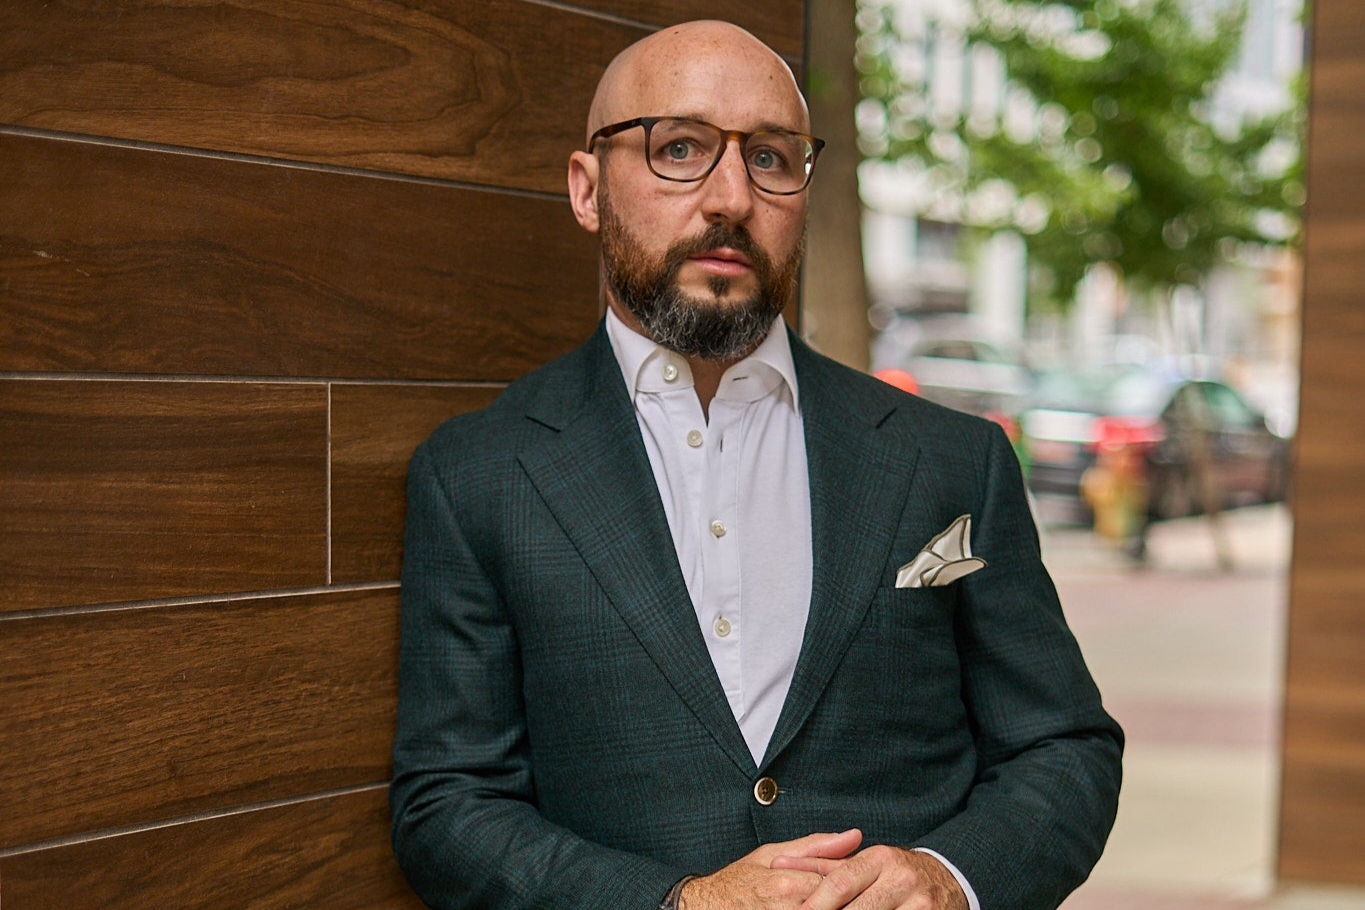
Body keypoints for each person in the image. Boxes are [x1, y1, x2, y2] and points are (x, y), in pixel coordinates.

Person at [391, 20, 1122, 910]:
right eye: (679, 148)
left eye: (771, 158)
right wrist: (678, 904)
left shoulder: (952, 461)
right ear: (587, 189)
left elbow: (1064, 748)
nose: (732, 196)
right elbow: (448, 806)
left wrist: (946, 879)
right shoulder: (478, 475)